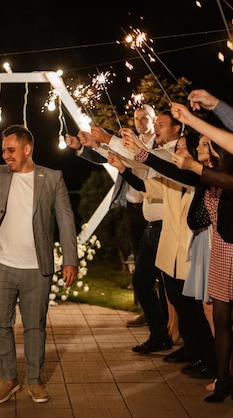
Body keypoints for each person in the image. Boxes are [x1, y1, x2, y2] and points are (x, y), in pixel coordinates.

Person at [0, 124, 78, 404]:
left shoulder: (51, 177)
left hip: (37, 266)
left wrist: (70, 260)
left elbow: (65, 219)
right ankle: (8, 378)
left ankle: (35, 381)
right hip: (1, 263)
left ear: (28, 149)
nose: (7, 155)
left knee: (35, 325)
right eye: (3, 150)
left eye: (10, 150)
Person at [109, 133, 217, 380]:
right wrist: (123, 168)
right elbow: (144, 185)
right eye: (176, 148)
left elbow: (174, 172)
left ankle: (208, 358)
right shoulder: (171, 182)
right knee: (180, 304)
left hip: (191, 251)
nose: (177, 152)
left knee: (197, 309)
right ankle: (193, 351)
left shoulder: (196, 179)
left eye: (182, 148)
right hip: (171, 251)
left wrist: (142, 152)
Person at [66, 105, 155, 328]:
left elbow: (136, 159)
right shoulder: (130, 140)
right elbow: (111, 156)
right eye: (137, 117)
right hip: (132, 207)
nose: (140, 121)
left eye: (145, 117)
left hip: (154, 209)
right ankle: (148, 312)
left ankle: (164, 317)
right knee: (138, 260)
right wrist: (85, 146)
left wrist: (103, 140)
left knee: (156, 266)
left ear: (153, 119)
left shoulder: (156, 145)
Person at [170, 100, 233, 402]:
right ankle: (223, 381)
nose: (202, 149)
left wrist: (194, 118)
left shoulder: (224, 170)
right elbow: (174, 171)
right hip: (222, 246)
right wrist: (135, 152)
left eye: (208, 144)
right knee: (219, 316)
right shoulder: (206, 172)